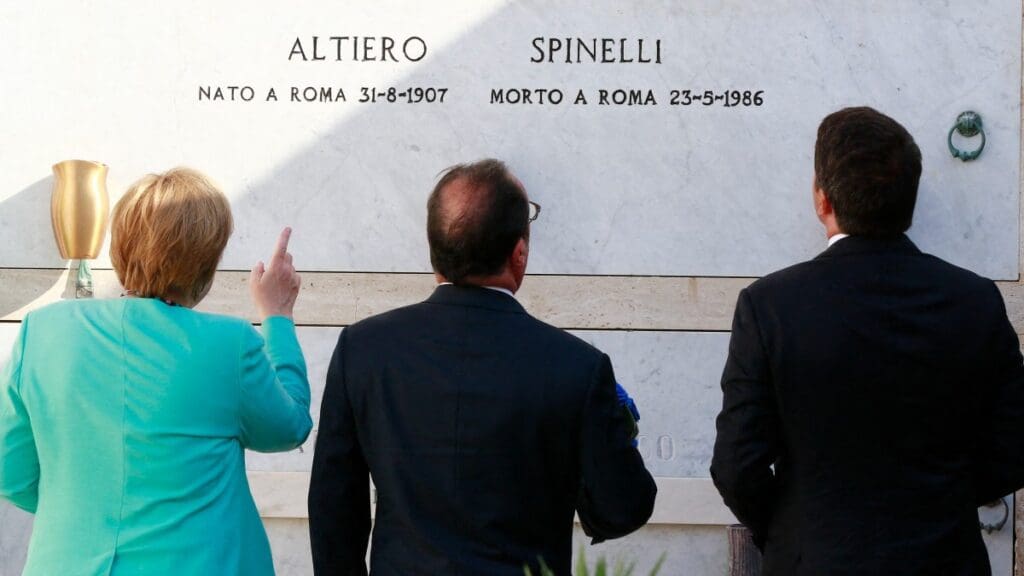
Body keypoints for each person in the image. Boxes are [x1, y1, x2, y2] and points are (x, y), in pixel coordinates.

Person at [710, 107, 1024, 575]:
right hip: (943, 559)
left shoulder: (771, 306)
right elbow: (1013, 446)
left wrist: (795, 527)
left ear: (822, 199)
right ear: (909, 199)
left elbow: (737, 465)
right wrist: (942, 502)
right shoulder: (975, 301)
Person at [309, 159, 656, 575]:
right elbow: (623, 507)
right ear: (519, 253)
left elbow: (333, 509)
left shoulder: (363, 350)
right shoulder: (576, 367)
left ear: (433, 247)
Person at [0, 168, 312, 575]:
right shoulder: (229, 343)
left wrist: (87, 515)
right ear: (207, 260)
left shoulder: (42, 332)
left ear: (121, 245)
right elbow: (289, 427)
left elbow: (11, 471)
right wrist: (277, 317)